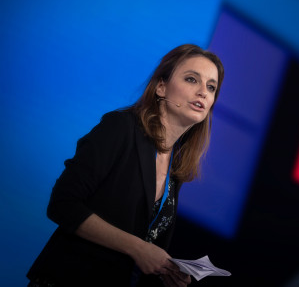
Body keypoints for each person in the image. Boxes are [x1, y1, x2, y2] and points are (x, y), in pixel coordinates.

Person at [27, 44, 225, 286]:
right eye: (192, 79)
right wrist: (138, 249)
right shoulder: (120, 128)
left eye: (211, 87)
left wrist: (166, 271)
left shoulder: (176, 169)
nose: (203, 92)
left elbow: (147, 245)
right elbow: (62, 205)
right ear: (161, 87)